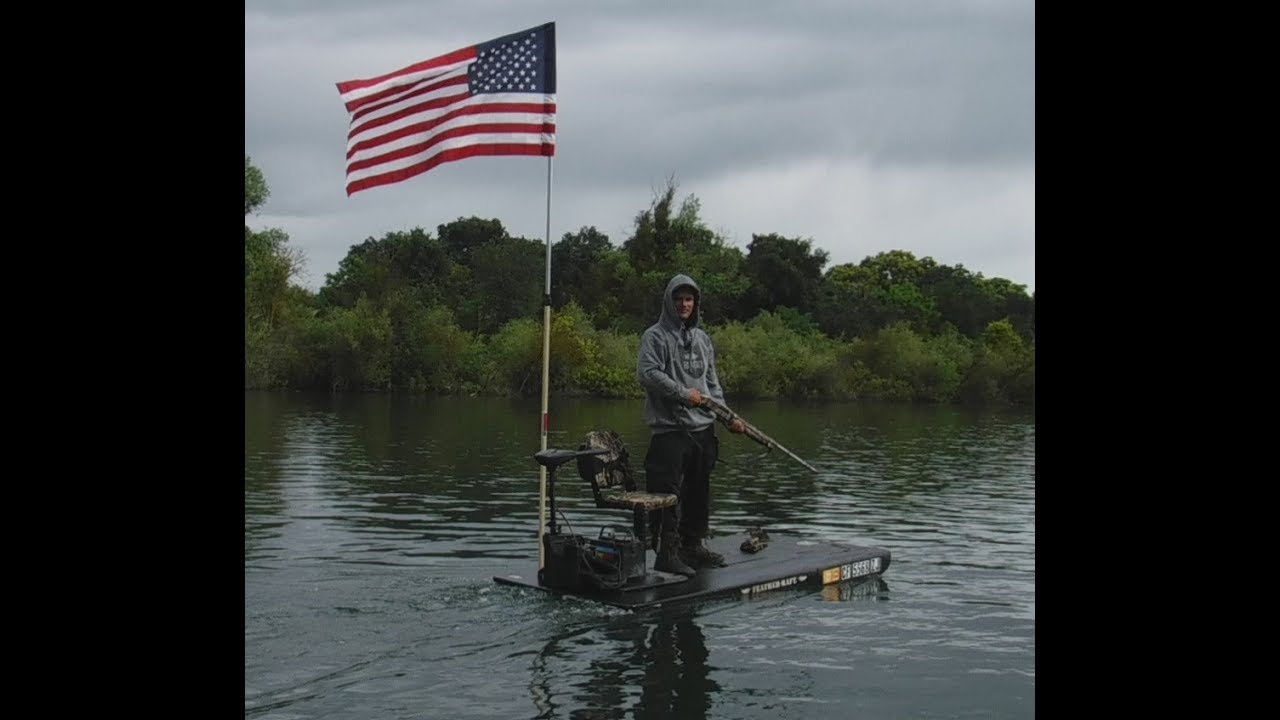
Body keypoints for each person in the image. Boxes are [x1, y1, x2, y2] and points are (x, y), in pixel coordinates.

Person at [637, 274, 746, 575]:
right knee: (665, 494)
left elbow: (712, 384)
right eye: (678, 299)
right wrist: (684, 394)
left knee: (699, 489)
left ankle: (693, 545)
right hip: (670, 430)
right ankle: (666, 553)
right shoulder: (655, 337)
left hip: (703, 430)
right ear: (668, 301)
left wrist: (728, 417)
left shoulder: (703, 339)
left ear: (695, 303)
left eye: (688, 299)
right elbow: (647, 374)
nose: (683, 304)